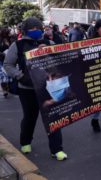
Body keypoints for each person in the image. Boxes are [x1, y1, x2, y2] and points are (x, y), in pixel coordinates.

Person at [3, 17, 67, 161]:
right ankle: (25, 142)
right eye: (32, 29)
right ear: (25, 30)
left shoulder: (49, 44)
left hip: (48, 87)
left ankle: (57, 149)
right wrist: (20, 76)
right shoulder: (18, 45)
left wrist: (48, 53)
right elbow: (8, 65)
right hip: (27, 88)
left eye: (38, 29)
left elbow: (60, 63)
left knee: (53, 117)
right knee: (30, 117)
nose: (35, 31)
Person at [0, 27, 12, 97]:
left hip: (9, 60)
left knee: (8, 75)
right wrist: (2, 54)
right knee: (3, 76)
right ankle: (4, 90)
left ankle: (7, 87)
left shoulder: (10, 39)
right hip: (1, 60)